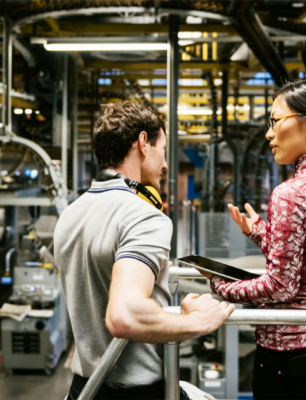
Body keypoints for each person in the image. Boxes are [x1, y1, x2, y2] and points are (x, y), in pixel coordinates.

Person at [54, 101, 234, 400]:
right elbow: (124, 315)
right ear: (143, 144)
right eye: (162, 150)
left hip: (84, 388)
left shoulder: (71, 214)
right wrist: (195, 322)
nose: (165, 165)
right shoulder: (145, 216)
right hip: (138, 393)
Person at [198, 79, 306, 400]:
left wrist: (222, 287)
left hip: (288, 356)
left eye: (275, 121)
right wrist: (260, 232)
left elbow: (281, 285)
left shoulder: (290, 194)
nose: (268, 134)